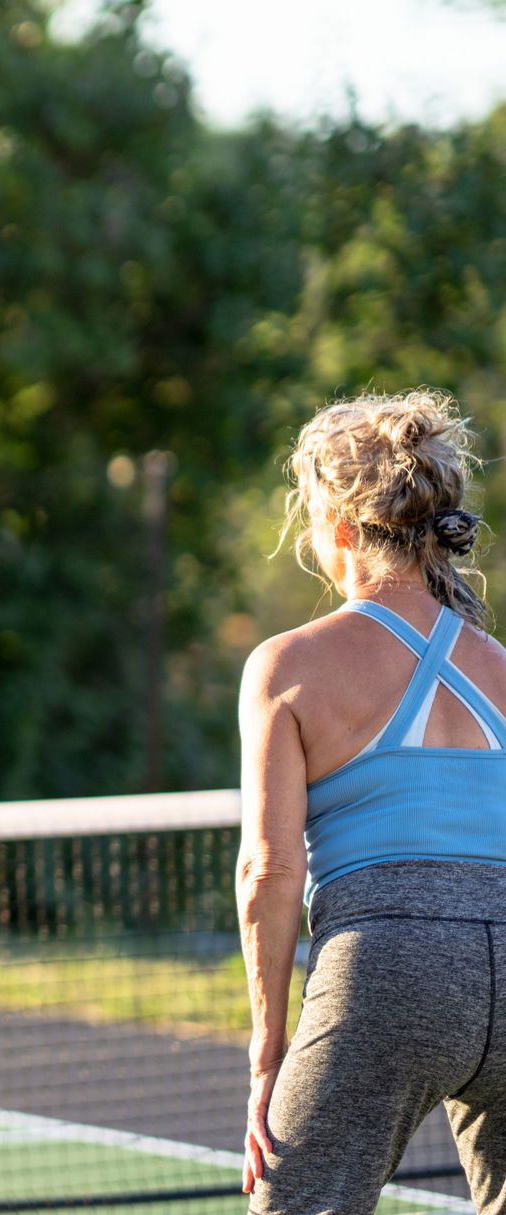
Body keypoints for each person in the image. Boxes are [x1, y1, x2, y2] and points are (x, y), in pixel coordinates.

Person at [238, 390, 506, 1212]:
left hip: (387, 966)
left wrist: (268, 1051)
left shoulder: (288, 664)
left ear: (340, 525)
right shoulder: (501, 662)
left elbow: (269, 870)